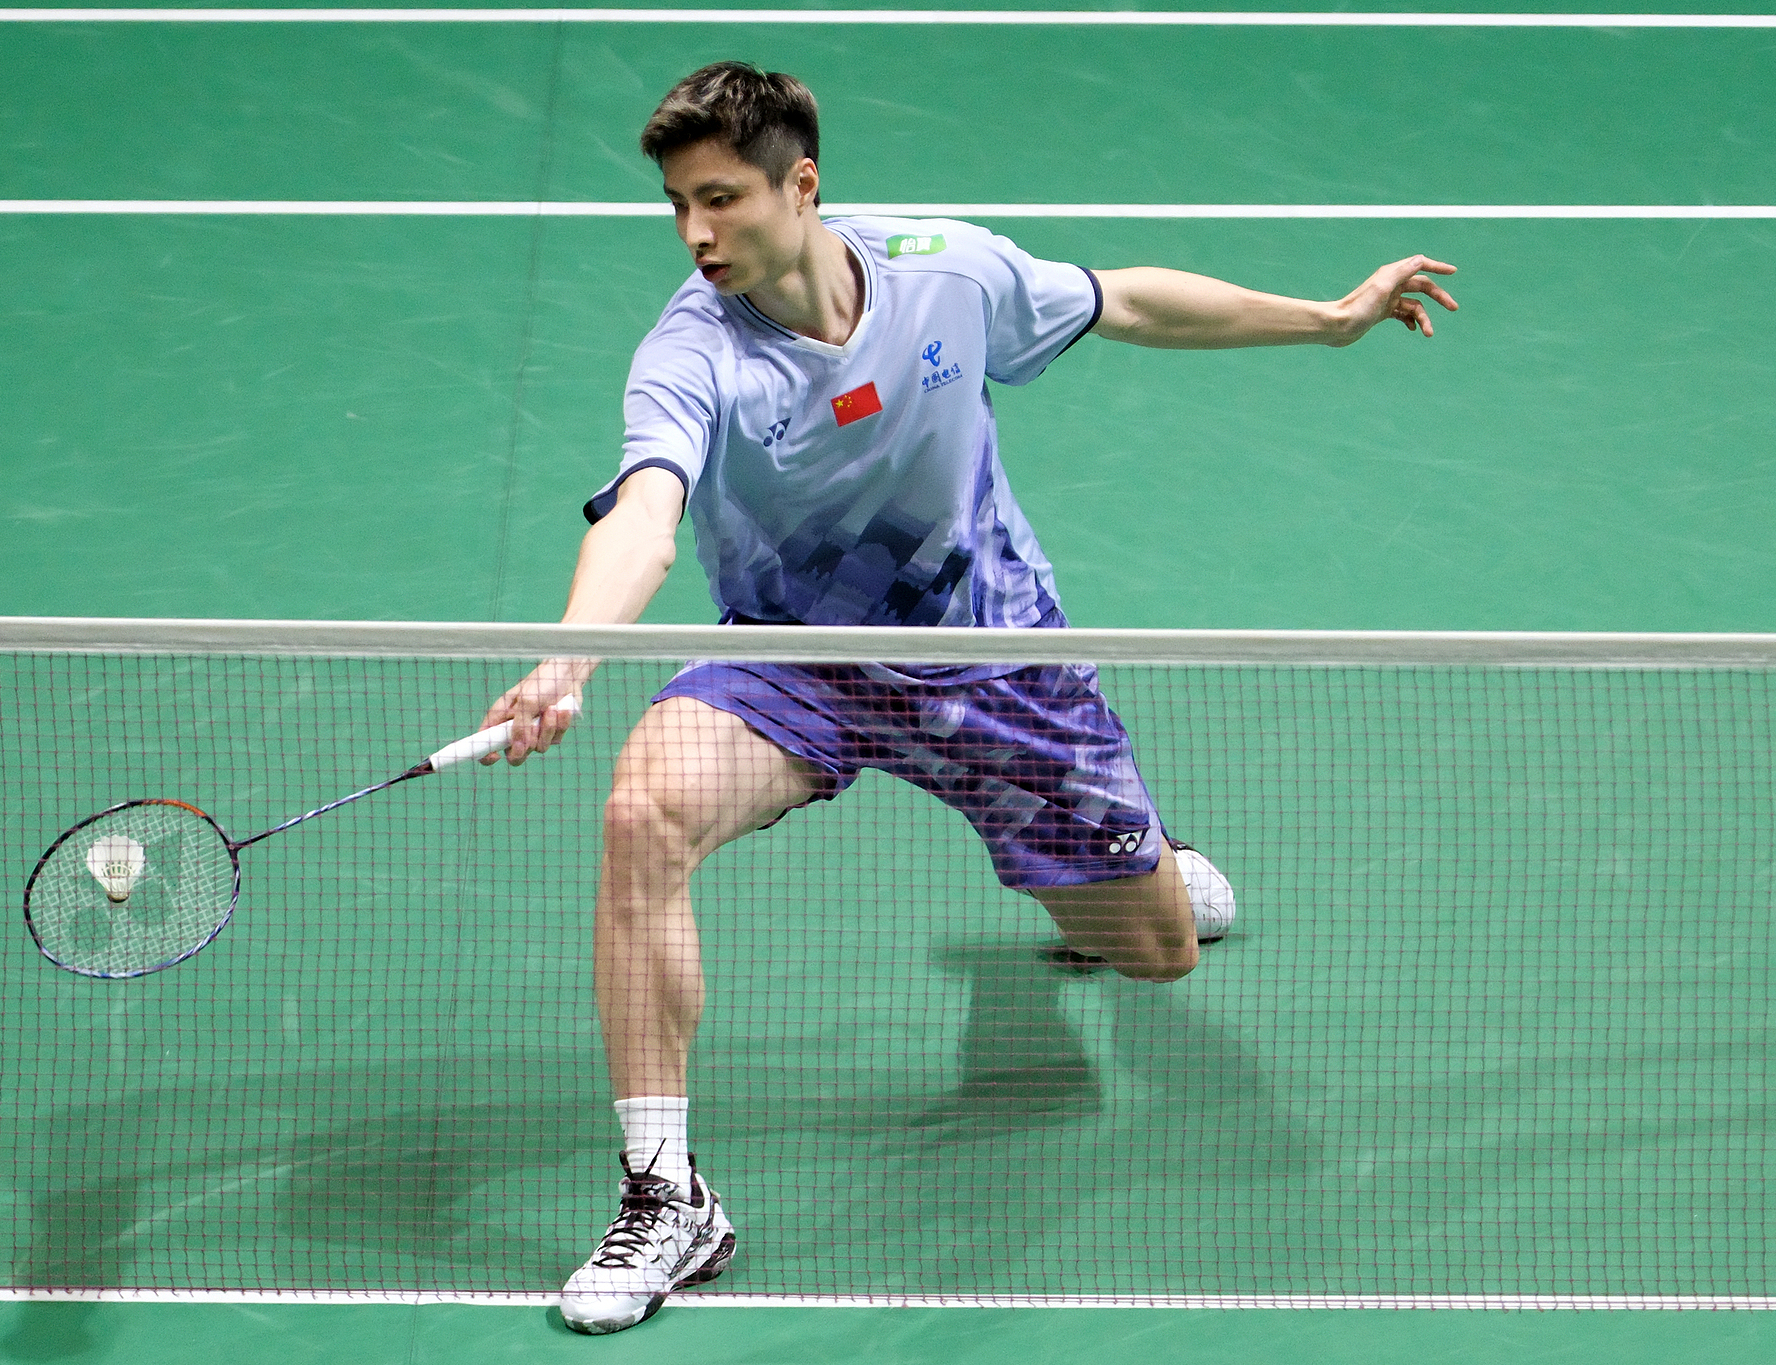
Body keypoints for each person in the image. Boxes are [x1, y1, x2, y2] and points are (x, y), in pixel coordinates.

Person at [475, 61, 1459, 1335]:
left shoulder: (944, 270)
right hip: (798, 661)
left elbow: (1127, 305)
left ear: (801, 183)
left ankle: (1144, 867)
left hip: (989, 659)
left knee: (1151, 954)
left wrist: (1323, 321)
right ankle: (668, 1199)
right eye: (674, 205)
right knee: (637, 819)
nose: (694, 233)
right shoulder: (689, 353)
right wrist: (566, 659)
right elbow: (647, 518)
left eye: (718, 199)